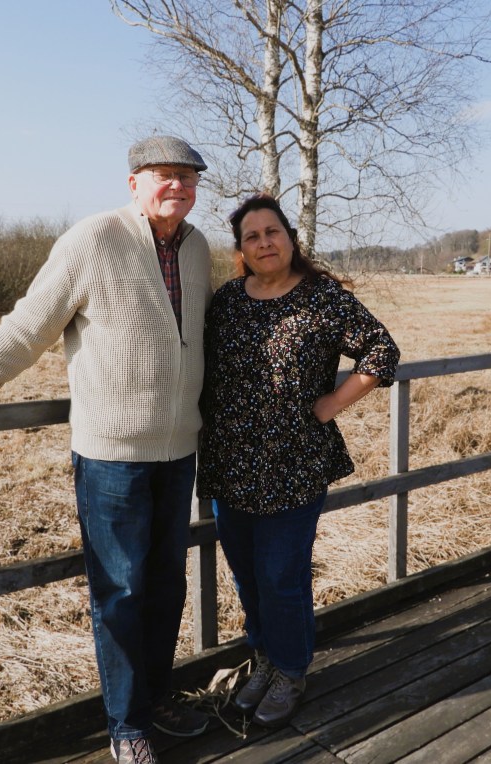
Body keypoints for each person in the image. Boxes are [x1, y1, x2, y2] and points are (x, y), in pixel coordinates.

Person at [0, 135, 214, 764]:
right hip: (112, 455)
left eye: (188, 178)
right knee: (122, 592)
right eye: (164, 176)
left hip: (178, 449)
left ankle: (157, 698)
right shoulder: (93, 239)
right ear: (133, 182)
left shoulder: (198, 248)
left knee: (166, 586)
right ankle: (127, 726)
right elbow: (29, 326)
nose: (177, 187)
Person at [196, 193, 400, 728]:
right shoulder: (226, 300)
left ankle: (291, 670)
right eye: (252, 237)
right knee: (246, 576)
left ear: (290, 237)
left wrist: (330, 404)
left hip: (294, 462)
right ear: (241, 249)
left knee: (281, 574)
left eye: (272, 232)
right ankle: (263, 658)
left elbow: (381, 350)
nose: (264, 242)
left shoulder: (323, 298)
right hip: (230, 462)